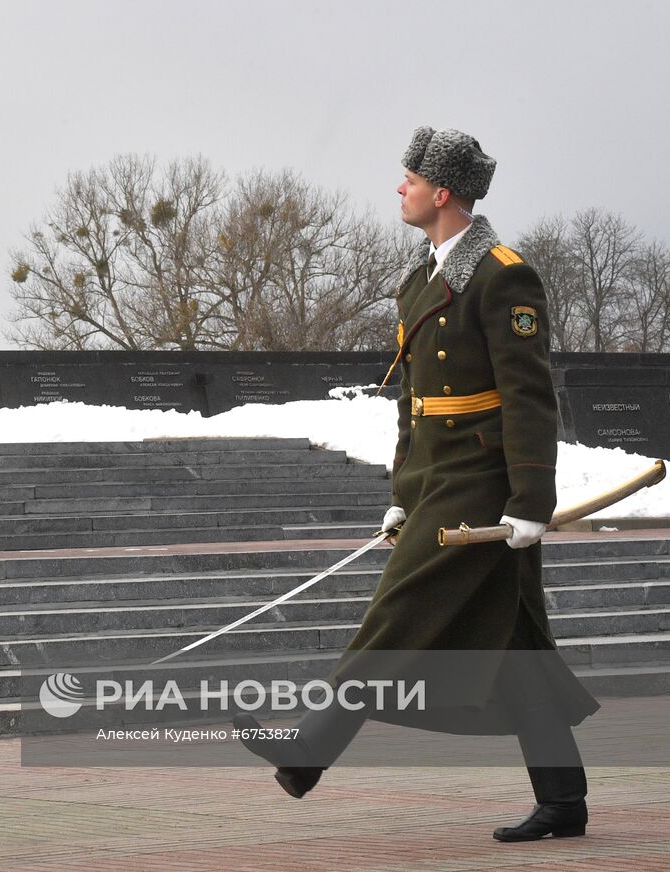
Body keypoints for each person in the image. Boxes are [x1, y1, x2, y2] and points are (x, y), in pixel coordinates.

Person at [234, 127, 597, 843]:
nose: (400, 188)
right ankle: (564, 801)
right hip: (437, 480)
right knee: (518, 650)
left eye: (411, 179)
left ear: (444, 192)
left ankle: (309, 748)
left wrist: (530, 501)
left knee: (397, 610)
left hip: (482, 484)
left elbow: (529, 397)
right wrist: (403, 491)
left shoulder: (502, 276)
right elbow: (415, 402)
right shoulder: (418, 281)